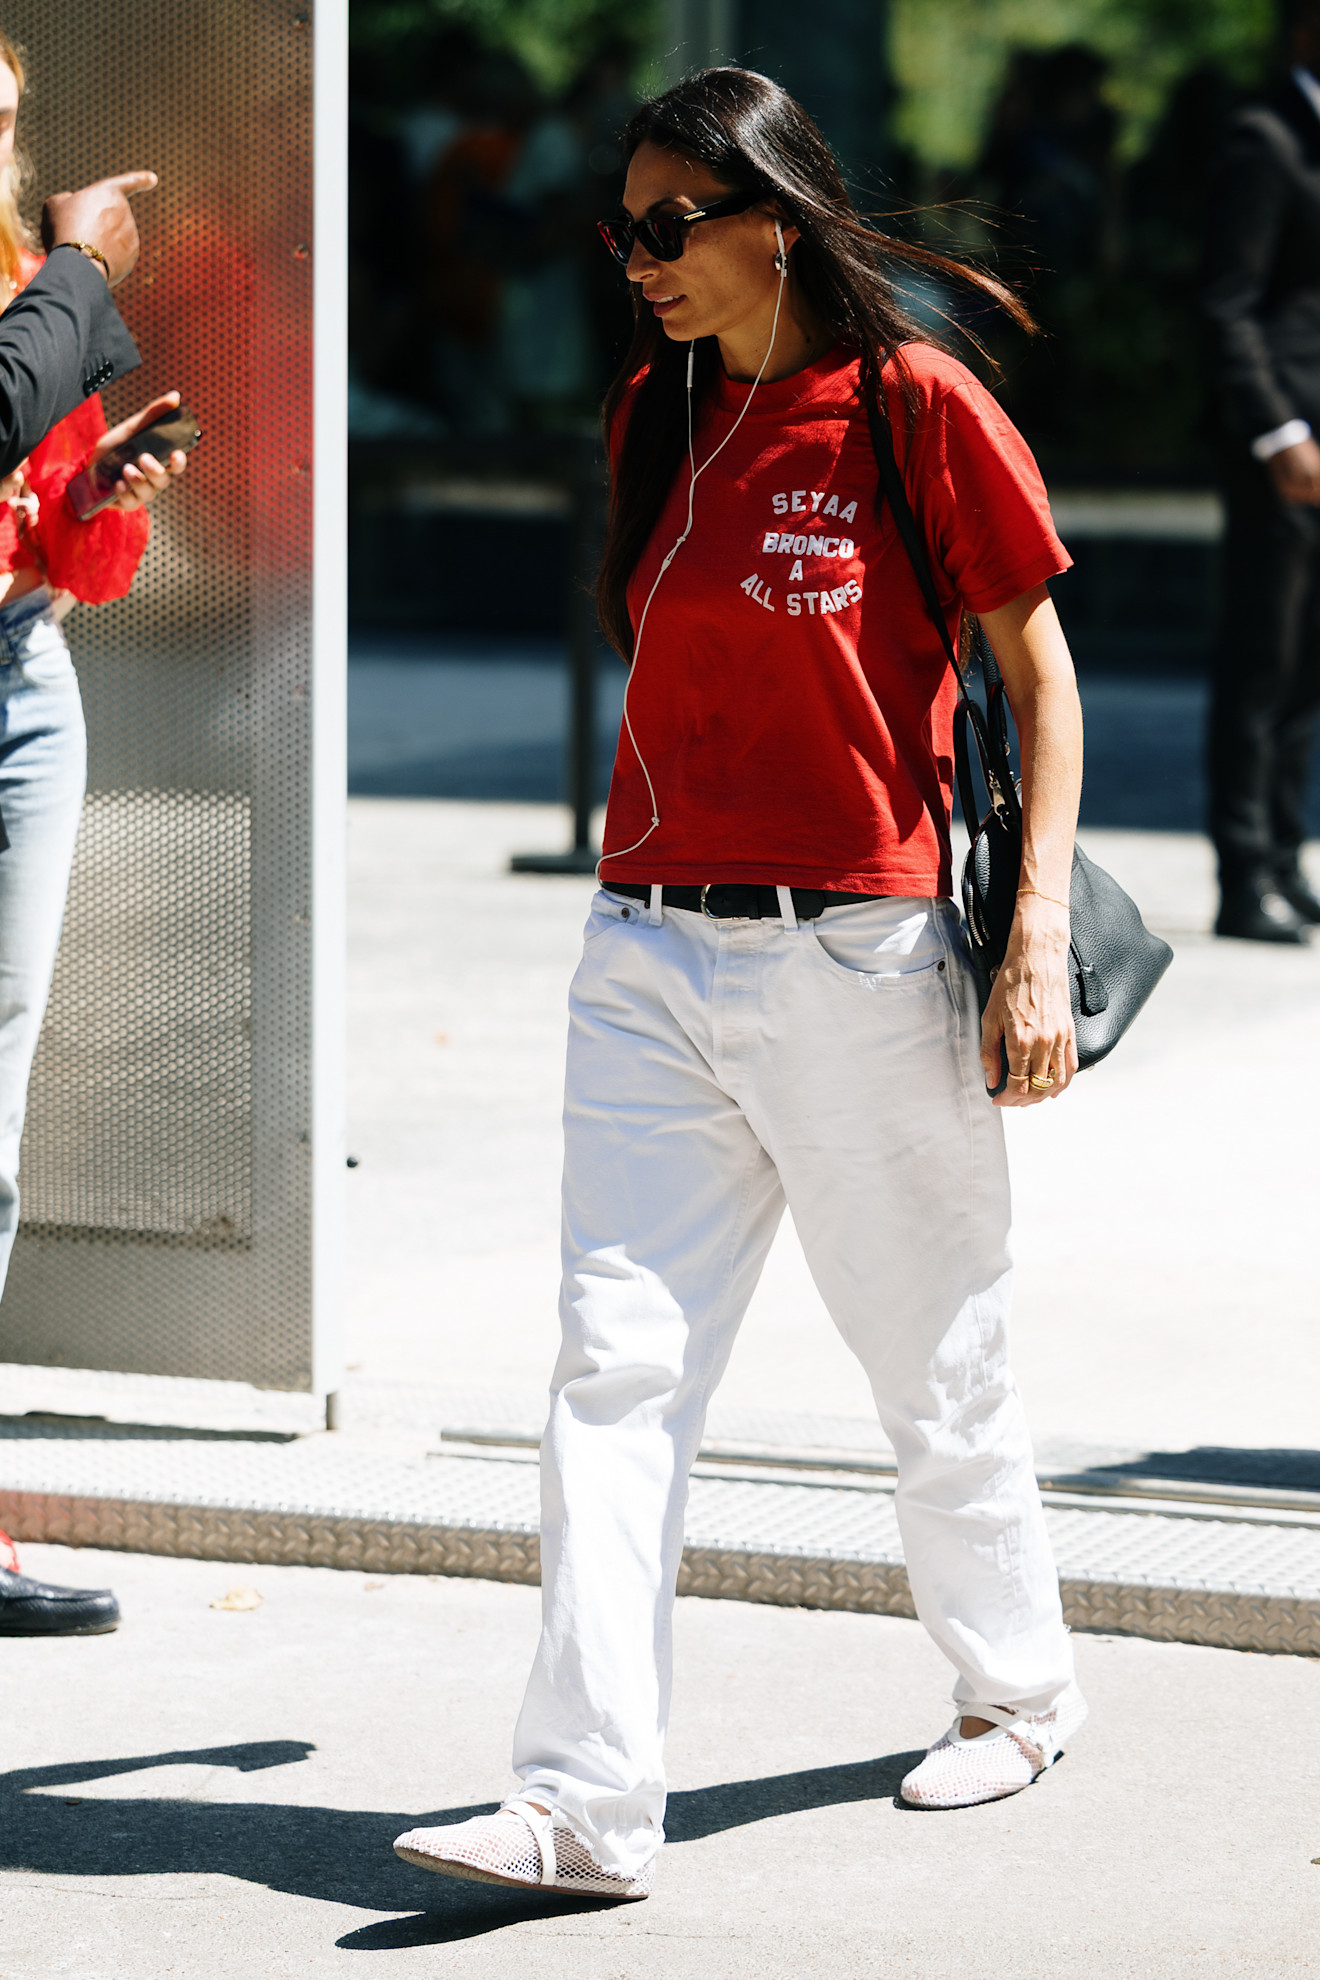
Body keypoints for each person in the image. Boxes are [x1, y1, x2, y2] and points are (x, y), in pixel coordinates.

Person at [392, 67, 1088, 1898]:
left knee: (934, 1362)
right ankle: (585, 1802)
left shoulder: (914, 406)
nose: (639, 261)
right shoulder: (657, 417)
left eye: (669, 225)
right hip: (645, 954)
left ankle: (1016, 1694)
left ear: (775, 213)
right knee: (610, 1376)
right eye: (624, 231)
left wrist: (1027, 951)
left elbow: (1042, 681)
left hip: (859, 953)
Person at [0, 29, 186, 1636]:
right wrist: (72, 266)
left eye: (3, 124)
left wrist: (102, 499)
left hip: (20, 677)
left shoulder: (18, 274)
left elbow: (57, 528)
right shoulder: (40, 287)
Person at [1202, 0, 1320, 942]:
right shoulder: (1266, 139)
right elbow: (1228, 303)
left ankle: (1286, 853)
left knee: (1307, 664)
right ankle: (1244, 874)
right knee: (1262, 660)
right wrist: (1280, 431)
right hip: (1286, 447)